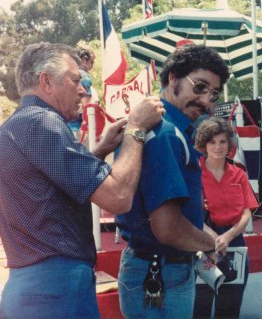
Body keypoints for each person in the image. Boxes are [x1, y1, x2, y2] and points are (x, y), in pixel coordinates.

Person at [0, 42, 164, 319]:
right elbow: (119, 198)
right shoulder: (44, 123)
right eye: (76, 80)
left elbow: (47, 187)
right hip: (57, 288)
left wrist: (98, 151)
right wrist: (135, 128)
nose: (83, 90)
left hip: (30, 286)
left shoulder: (14, 127)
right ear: (46, 82)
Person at [116, 44, 230, 319]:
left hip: (159, 268)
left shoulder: (168, 130)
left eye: (213, 93)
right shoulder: (166, 133)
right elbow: (167, 228)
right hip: (161, 273)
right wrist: (209, 243)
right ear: (173, 78)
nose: (206, 100)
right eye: (200, 87)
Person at [193, 117, 258, 319]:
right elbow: (190, 213)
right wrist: (212, 238)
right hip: (202, 245)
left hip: (235, 243)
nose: (218, 147)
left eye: (222, 141)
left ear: (229, 143)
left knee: (230, 308)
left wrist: (228, 236)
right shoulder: (194, 173)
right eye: (212, 142)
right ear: (204, 144)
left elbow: (246, 212)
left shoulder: (238, 174)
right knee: (200, 306)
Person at [68, 46, 99, 136]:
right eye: (91, 62)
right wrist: (88, 124)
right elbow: (86, 104)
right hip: (78, 127)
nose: (92, 66)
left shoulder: (68, 73)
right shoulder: (83, 75)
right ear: (84, 60)